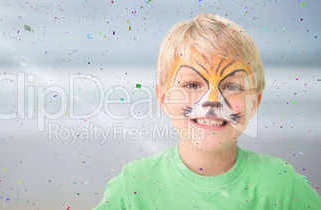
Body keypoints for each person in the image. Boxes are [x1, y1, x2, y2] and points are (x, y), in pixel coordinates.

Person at [93, 13, 321, 209]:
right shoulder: (133, 186)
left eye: (232, 86)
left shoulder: (283, 187)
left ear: (254, 102)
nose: (212, 100)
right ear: (163, 98)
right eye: (192, 85)